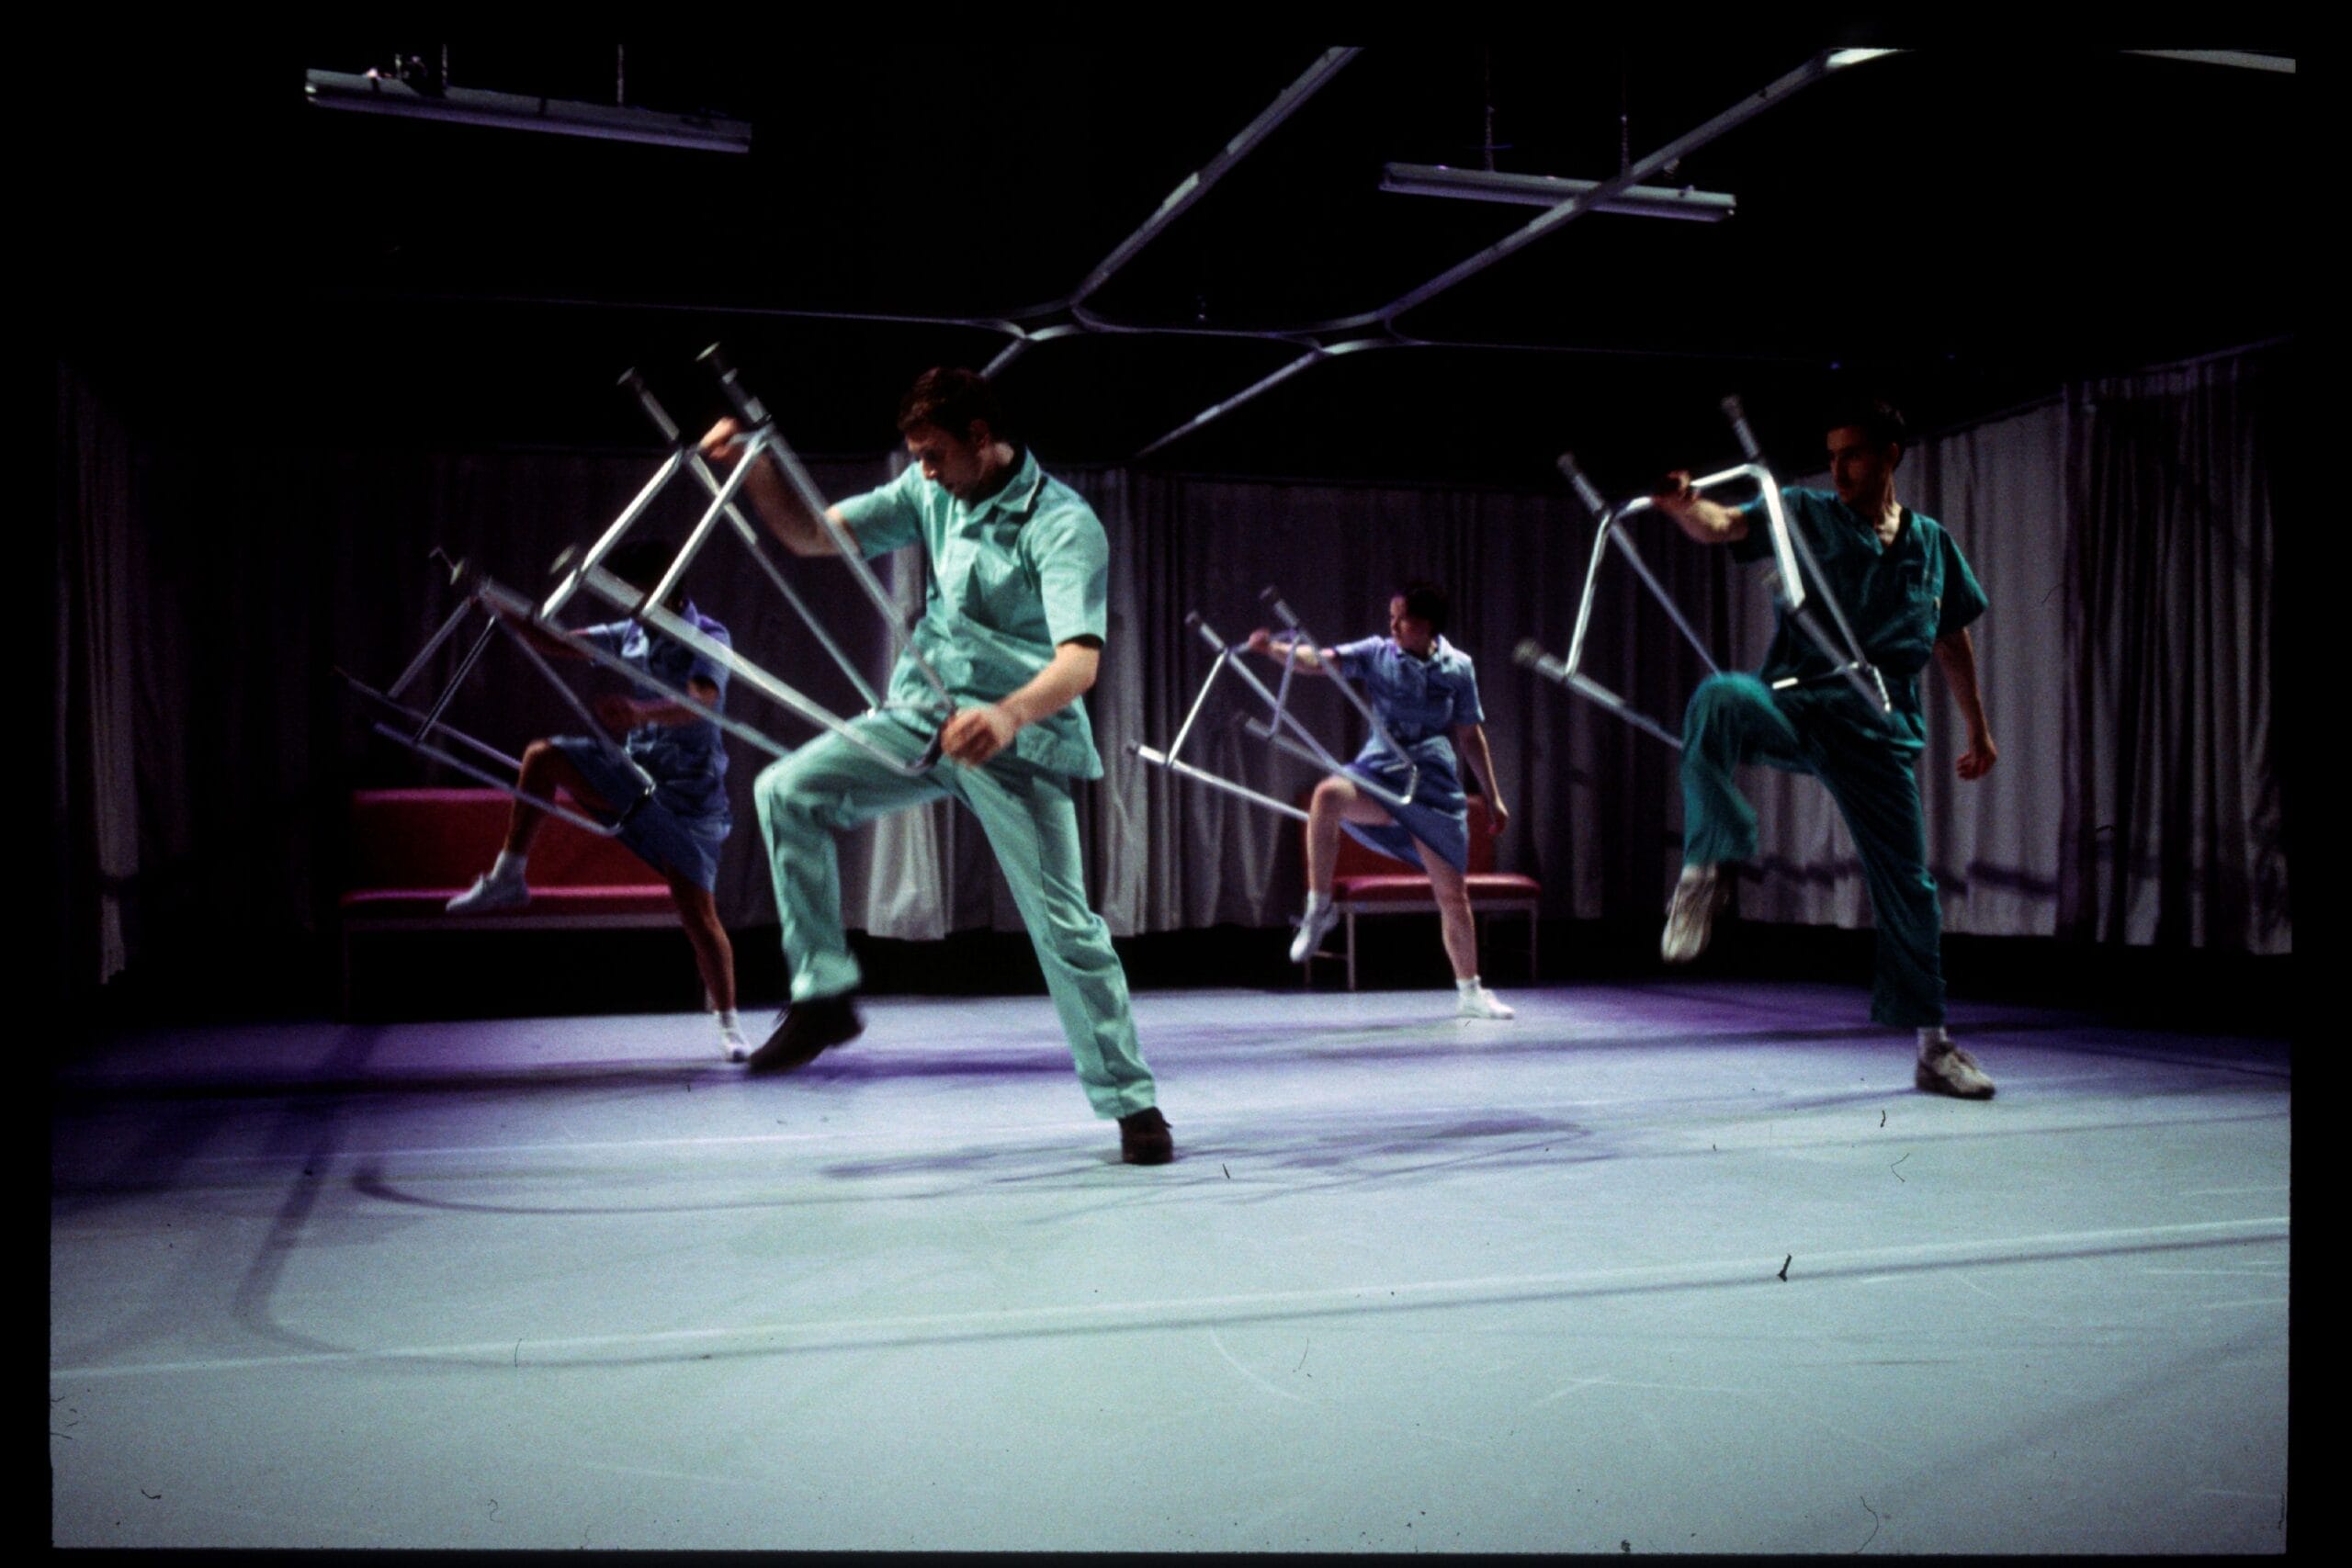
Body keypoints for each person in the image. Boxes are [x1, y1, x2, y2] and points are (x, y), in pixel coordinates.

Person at [699, 367, 1171, 1165]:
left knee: (1065, 927)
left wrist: (1009, 712)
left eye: (934, 454)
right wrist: (756, 469)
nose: (923, 471)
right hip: (923, 713)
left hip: (1016, 739)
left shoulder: (1062, 524)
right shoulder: (933, 496)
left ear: (982, 440)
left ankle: (1133, 1103)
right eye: (914, 455)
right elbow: (815, 534)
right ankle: (824, 997)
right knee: (786, 790)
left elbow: (1080, 663)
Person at [1651, 396, 1999, 1098]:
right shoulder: (1805, 514)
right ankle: (1707, 861)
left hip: (1878, 730)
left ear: (1890, 455)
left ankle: (1934, 1048)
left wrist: (1979, 728)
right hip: (1800, 702)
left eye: (1853, 455)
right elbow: (1725, 525)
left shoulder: (1930, 542)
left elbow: (1951, 637)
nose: (1837, 469)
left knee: (1911, 889)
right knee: (1719, 697)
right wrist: (1685, 504)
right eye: (1831, 455)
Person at [446, 536, 746, 1058]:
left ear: (662, 587)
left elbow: (703, 703)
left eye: (631, 590)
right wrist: (495, 602)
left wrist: (642, 712)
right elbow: (557, 639)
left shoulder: (708, 636)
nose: (624, 602)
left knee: (697, 912)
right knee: (544, 758)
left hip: (689, 798)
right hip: (636, 775)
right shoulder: (629, 633)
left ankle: (728, 1024)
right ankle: (508, 878)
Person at [1244, 583, 1516, 1020]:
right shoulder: (1377, 652)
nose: (1391, 626)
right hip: (1381, 771)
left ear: (1425, 625)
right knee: (1329, 795)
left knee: (1453, 895)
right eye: (1390, 616)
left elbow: (1470, 735)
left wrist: (1493, 796)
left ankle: (1470, 990)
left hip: (1431, 783)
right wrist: (1273, 649)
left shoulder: (1458, 667)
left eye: (1401, 619)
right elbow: (1323, 662)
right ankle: (1318, 909)